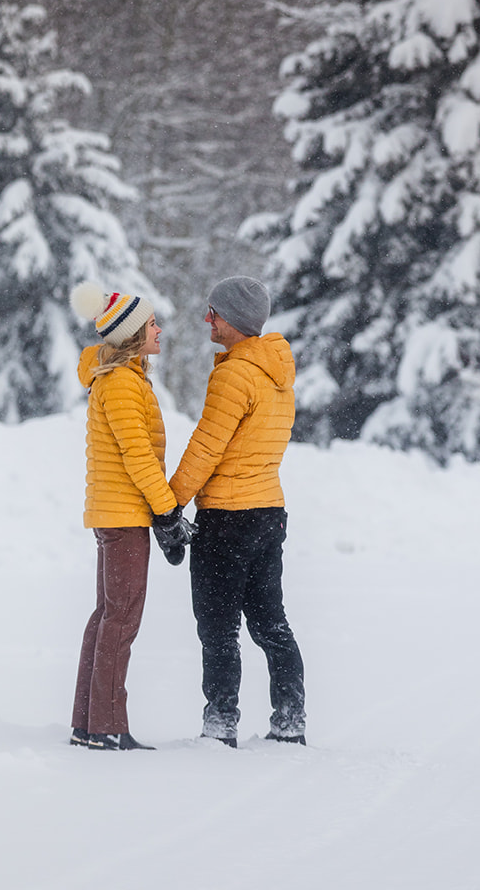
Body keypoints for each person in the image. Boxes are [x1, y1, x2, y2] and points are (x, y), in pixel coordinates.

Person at [169, 276, 306, 748]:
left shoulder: (234, 375)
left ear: (234, 320)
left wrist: (170, 504)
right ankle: (290, 720)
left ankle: (220, 723)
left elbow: (207, 448)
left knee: (218, 626)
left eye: (214, 312)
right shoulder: (277, 374)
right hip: (269, 512)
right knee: (271, 621)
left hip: (228, 517)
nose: (207, 318)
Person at [68, 280, 194, 751]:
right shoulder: (121, 383)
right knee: (120, 620)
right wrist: (167, 514)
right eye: (153, 324)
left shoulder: (124, 378)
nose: (160, 330)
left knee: (107, 616)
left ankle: (88, 723)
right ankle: (106, 726)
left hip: (116, 514)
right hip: (124, 517)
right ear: (132, 334)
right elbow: (137, 457)